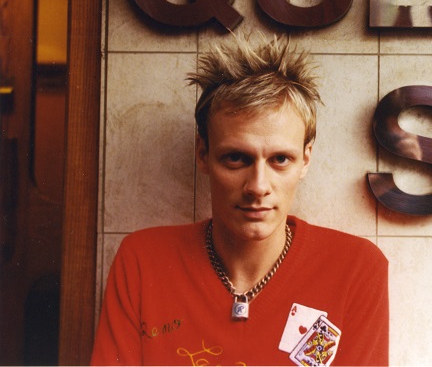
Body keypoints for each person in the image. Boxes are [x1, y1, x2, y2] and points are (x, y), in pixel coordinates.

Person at [91, 35, 389, 366]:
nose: (258, 186)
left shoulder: (355, 268)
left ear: (305, 160)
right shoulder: (143, 261)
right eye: (236, 158)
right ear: (203, 154)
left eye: (280, 160)